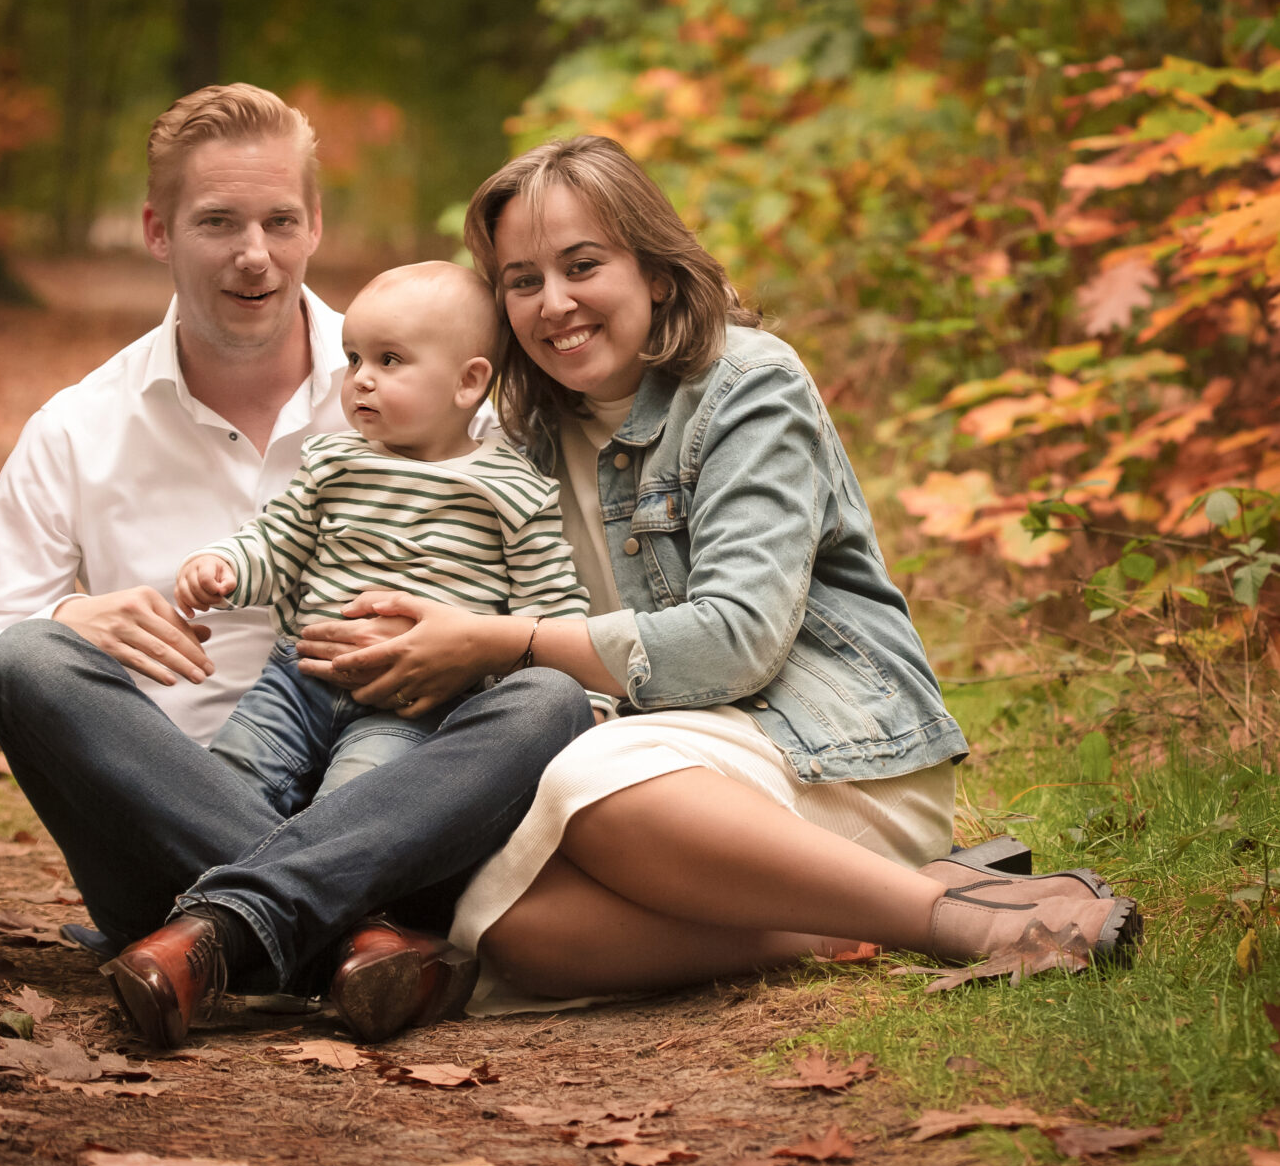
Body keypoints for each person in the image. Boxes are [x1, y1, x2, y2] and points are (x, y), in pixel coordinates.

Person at [293, 135, 1141, 1005]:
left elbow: (738, 643)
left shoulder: (747, 385)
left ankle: (956, 924)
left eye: (583, 265)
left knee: (587, 779)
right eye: (523, 281)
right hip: (657, 787)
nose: (555, 304)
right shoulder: (524, 433)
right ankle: (849, 924)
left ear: (655, 273)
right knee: (501, 925)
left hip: (822, 754)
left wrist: (503, 643)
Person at [0, 85, 593, 1049]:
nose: (255, 254)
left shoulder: (438, 393)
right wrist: (69, 625)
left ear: (314, 225)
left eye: (281, 220)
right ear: (158, 231)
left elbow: (540, 605)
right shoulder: (77, 431)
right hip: (164, 838)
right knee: (24, 657)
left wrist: (481, 652)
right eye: (218, 223)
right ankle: (354, 941)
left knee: (548, 703)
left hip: (395, 807)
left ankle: (224, 934)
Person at [176, 259, 613, 819]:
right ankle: (213, 890)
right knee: (227, 783)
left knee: (356, 805)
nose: (360, 377)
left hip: (414, 703)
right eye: (354, 357)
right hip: (299, 679)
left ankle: (320, 893)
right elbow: (277, 540)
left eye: (390, 360)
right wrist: (226, 566)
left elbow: (548, 608)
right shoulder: (332, 461)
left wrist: (590, 703)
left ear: (468, 381)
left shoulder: (511, 490)